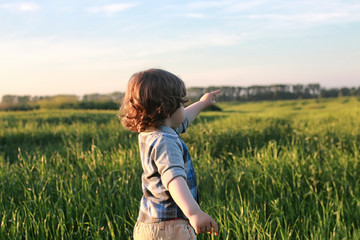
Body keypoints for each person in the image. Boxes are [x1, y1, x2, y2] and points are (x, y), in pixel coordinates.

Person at [119, 68, 220, 239]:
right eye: (181, 104)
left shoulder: (150, 132)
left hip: (148, 225)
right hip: (171, 227)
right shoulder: (166, 141)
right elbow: (173, 178)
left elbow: (183, 118)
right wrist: (194, 212)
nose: (183, 108)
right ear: (166, 109)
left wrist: (203, 103)